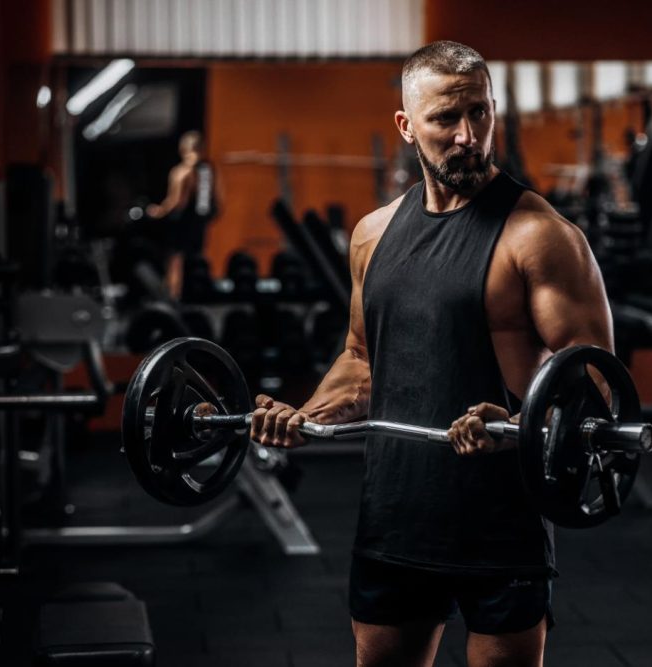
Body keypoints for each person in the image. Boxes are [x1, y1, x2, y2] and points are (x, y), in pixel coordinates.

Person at [251, 41, 613, 667]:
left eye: (479, 113)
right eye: (446, 119)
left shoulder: (540, 236)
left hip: (501, 518)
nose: (468, 136)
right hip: (397, 509)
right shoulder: (373, 234)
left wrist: (514, 427)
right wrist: (306, 415)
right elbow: (362, 358)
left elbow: (596, 388)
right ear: (407, 126)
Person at [146, 130, 219, 299]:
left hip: (182, 222)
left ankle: (173, 296)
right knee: (196, 258)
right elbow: (218, 199)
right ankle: (195, 294)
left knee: (175, 260)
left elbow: (178, 202)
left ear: (183, 149)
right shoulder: (208, 170)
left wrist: (158, 212)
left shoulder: (182, 172)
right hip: (200, 222)